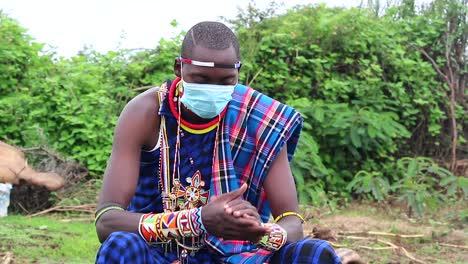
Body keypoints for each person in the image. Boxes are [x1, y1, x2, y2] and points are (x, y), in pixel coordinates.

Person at [95, 21, 342, 264]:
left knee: (314, 253)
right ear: (179, 68)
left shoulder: (258, 118)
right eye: (201, 78)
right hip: (158, 255)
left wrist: (261, 234)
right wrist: (198, 220)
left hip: (238, 256)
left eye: (225, 81)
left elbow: (291, 223)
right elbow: (107, 220)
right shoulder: (145, 113)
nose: (213, 89)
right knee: (121, 246)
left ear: (238, 72)